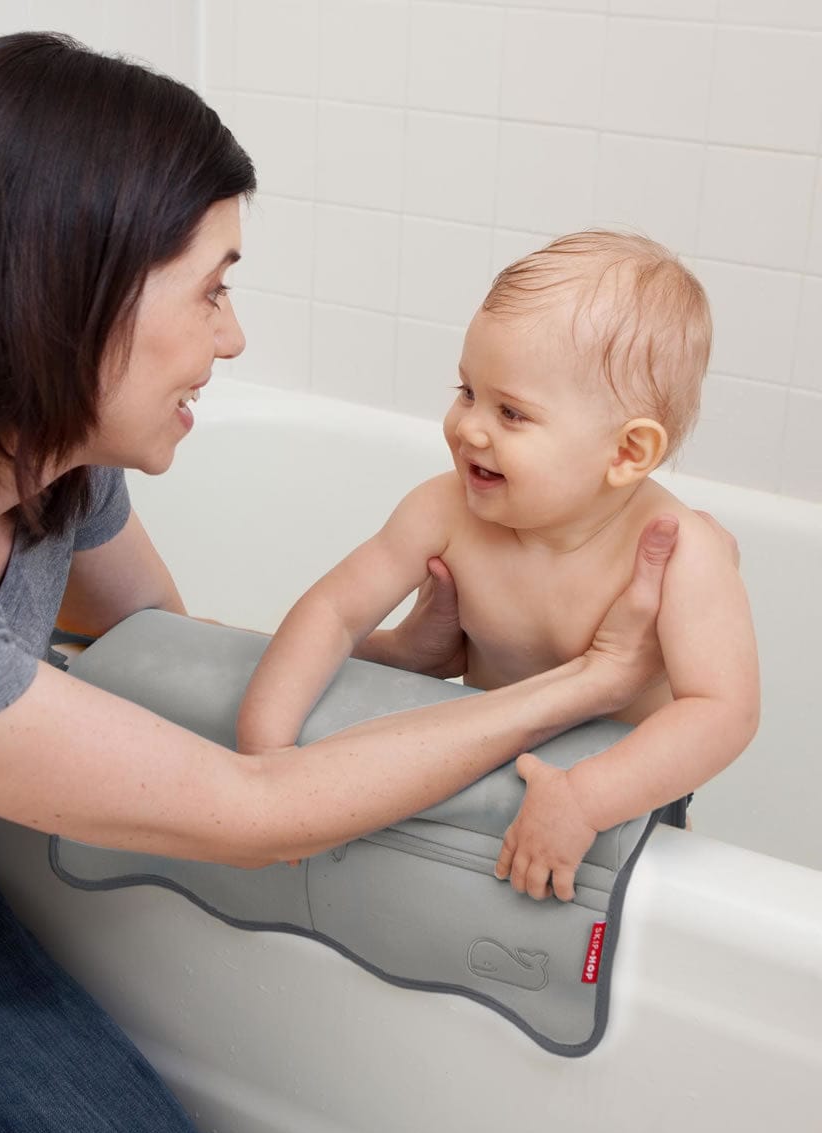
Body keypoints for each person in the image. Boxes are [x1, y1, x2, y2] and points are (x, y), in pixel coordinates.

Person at [0, 33, 693, 1133]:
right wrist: (586, 684)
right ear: (65, 298)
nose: (234, 336)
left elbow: (157, 651)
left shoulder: (48, 468)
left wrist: (394, 658)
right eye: (212, 289)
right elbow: (252, 815)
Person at [237, 231, 760, 904]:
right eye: (467, 391)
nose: (469, 428)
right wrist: (265, 755)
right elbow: (333, 613)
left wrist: (587, 799)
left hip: (615, 814)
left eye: (511, 412)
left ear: (627, 453)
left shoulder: (678, 552)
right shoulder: (445, 509)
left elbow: (723, 711)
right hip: (470, 774)